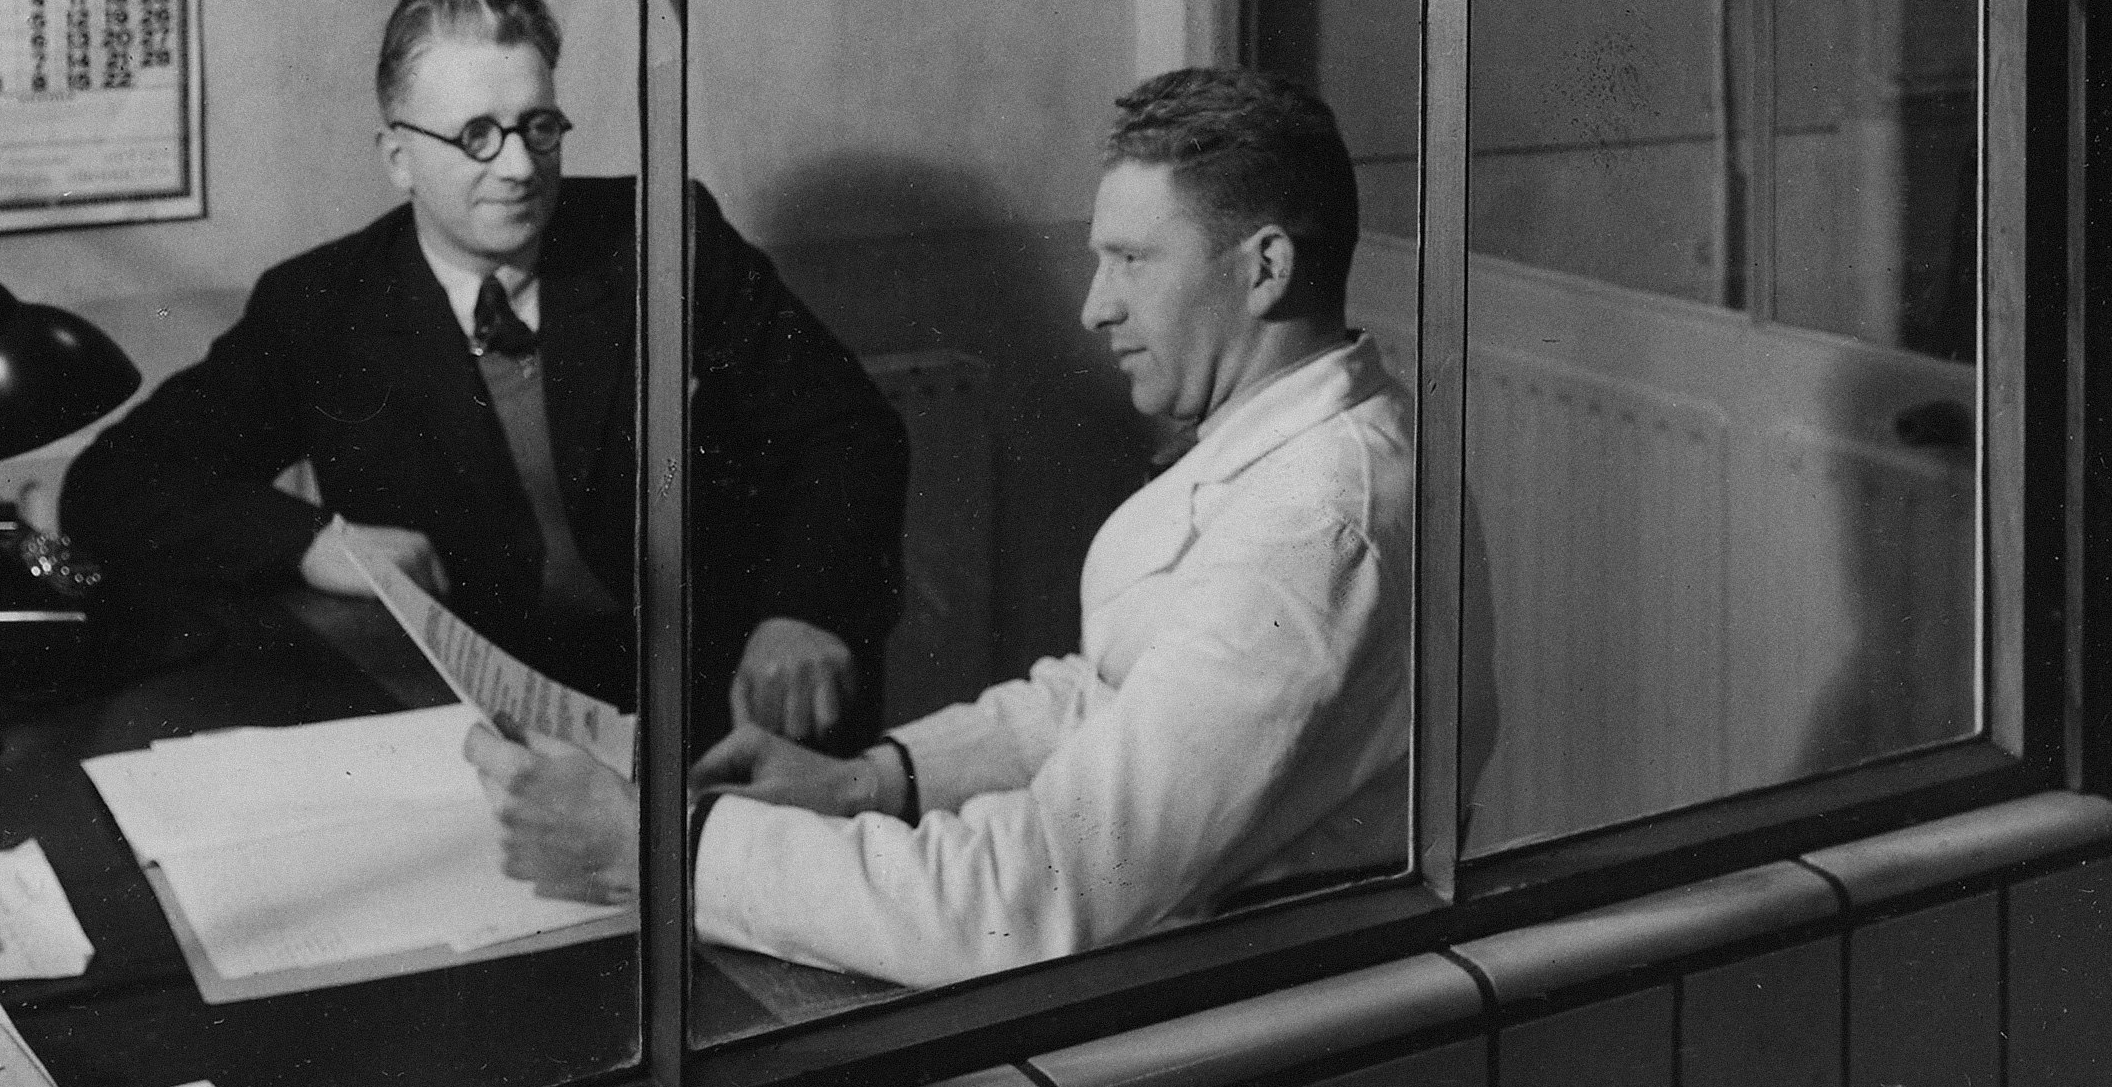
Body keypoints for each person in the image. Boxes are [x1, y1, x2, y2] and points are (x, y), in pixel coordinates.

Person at [473, 66, 1481, 987]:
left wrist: (652, 850)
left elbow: (1020, 905)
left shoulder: (1310, 534)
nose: (1095, 307)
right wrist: (868, 782)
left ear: (1263, 270)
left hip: (1257, 1019)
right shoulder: (1304, 441)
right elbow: (1112, 695)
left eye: (1132, 260)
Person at [61, 0, 908, 748]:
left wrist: (807, 609)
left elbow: (849, 429)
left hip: (706, 697)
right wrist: (311, 541)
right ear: (399, 157)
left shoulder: (663, 237)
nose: (517, 166)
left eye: (538, 126)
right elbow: (113, 483)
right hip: (473, 730)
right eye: (475, 135)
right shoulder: (322, 306)